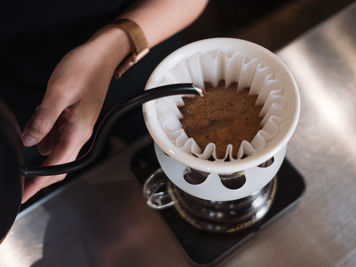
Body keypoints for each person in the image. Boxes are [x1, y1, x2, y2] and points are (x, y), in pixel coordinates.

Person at [0, 0, 208, 203]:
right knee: (81, 192)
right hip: (21, 102)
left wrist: (108, 52)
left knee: (187, 167)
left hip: (148, 46)